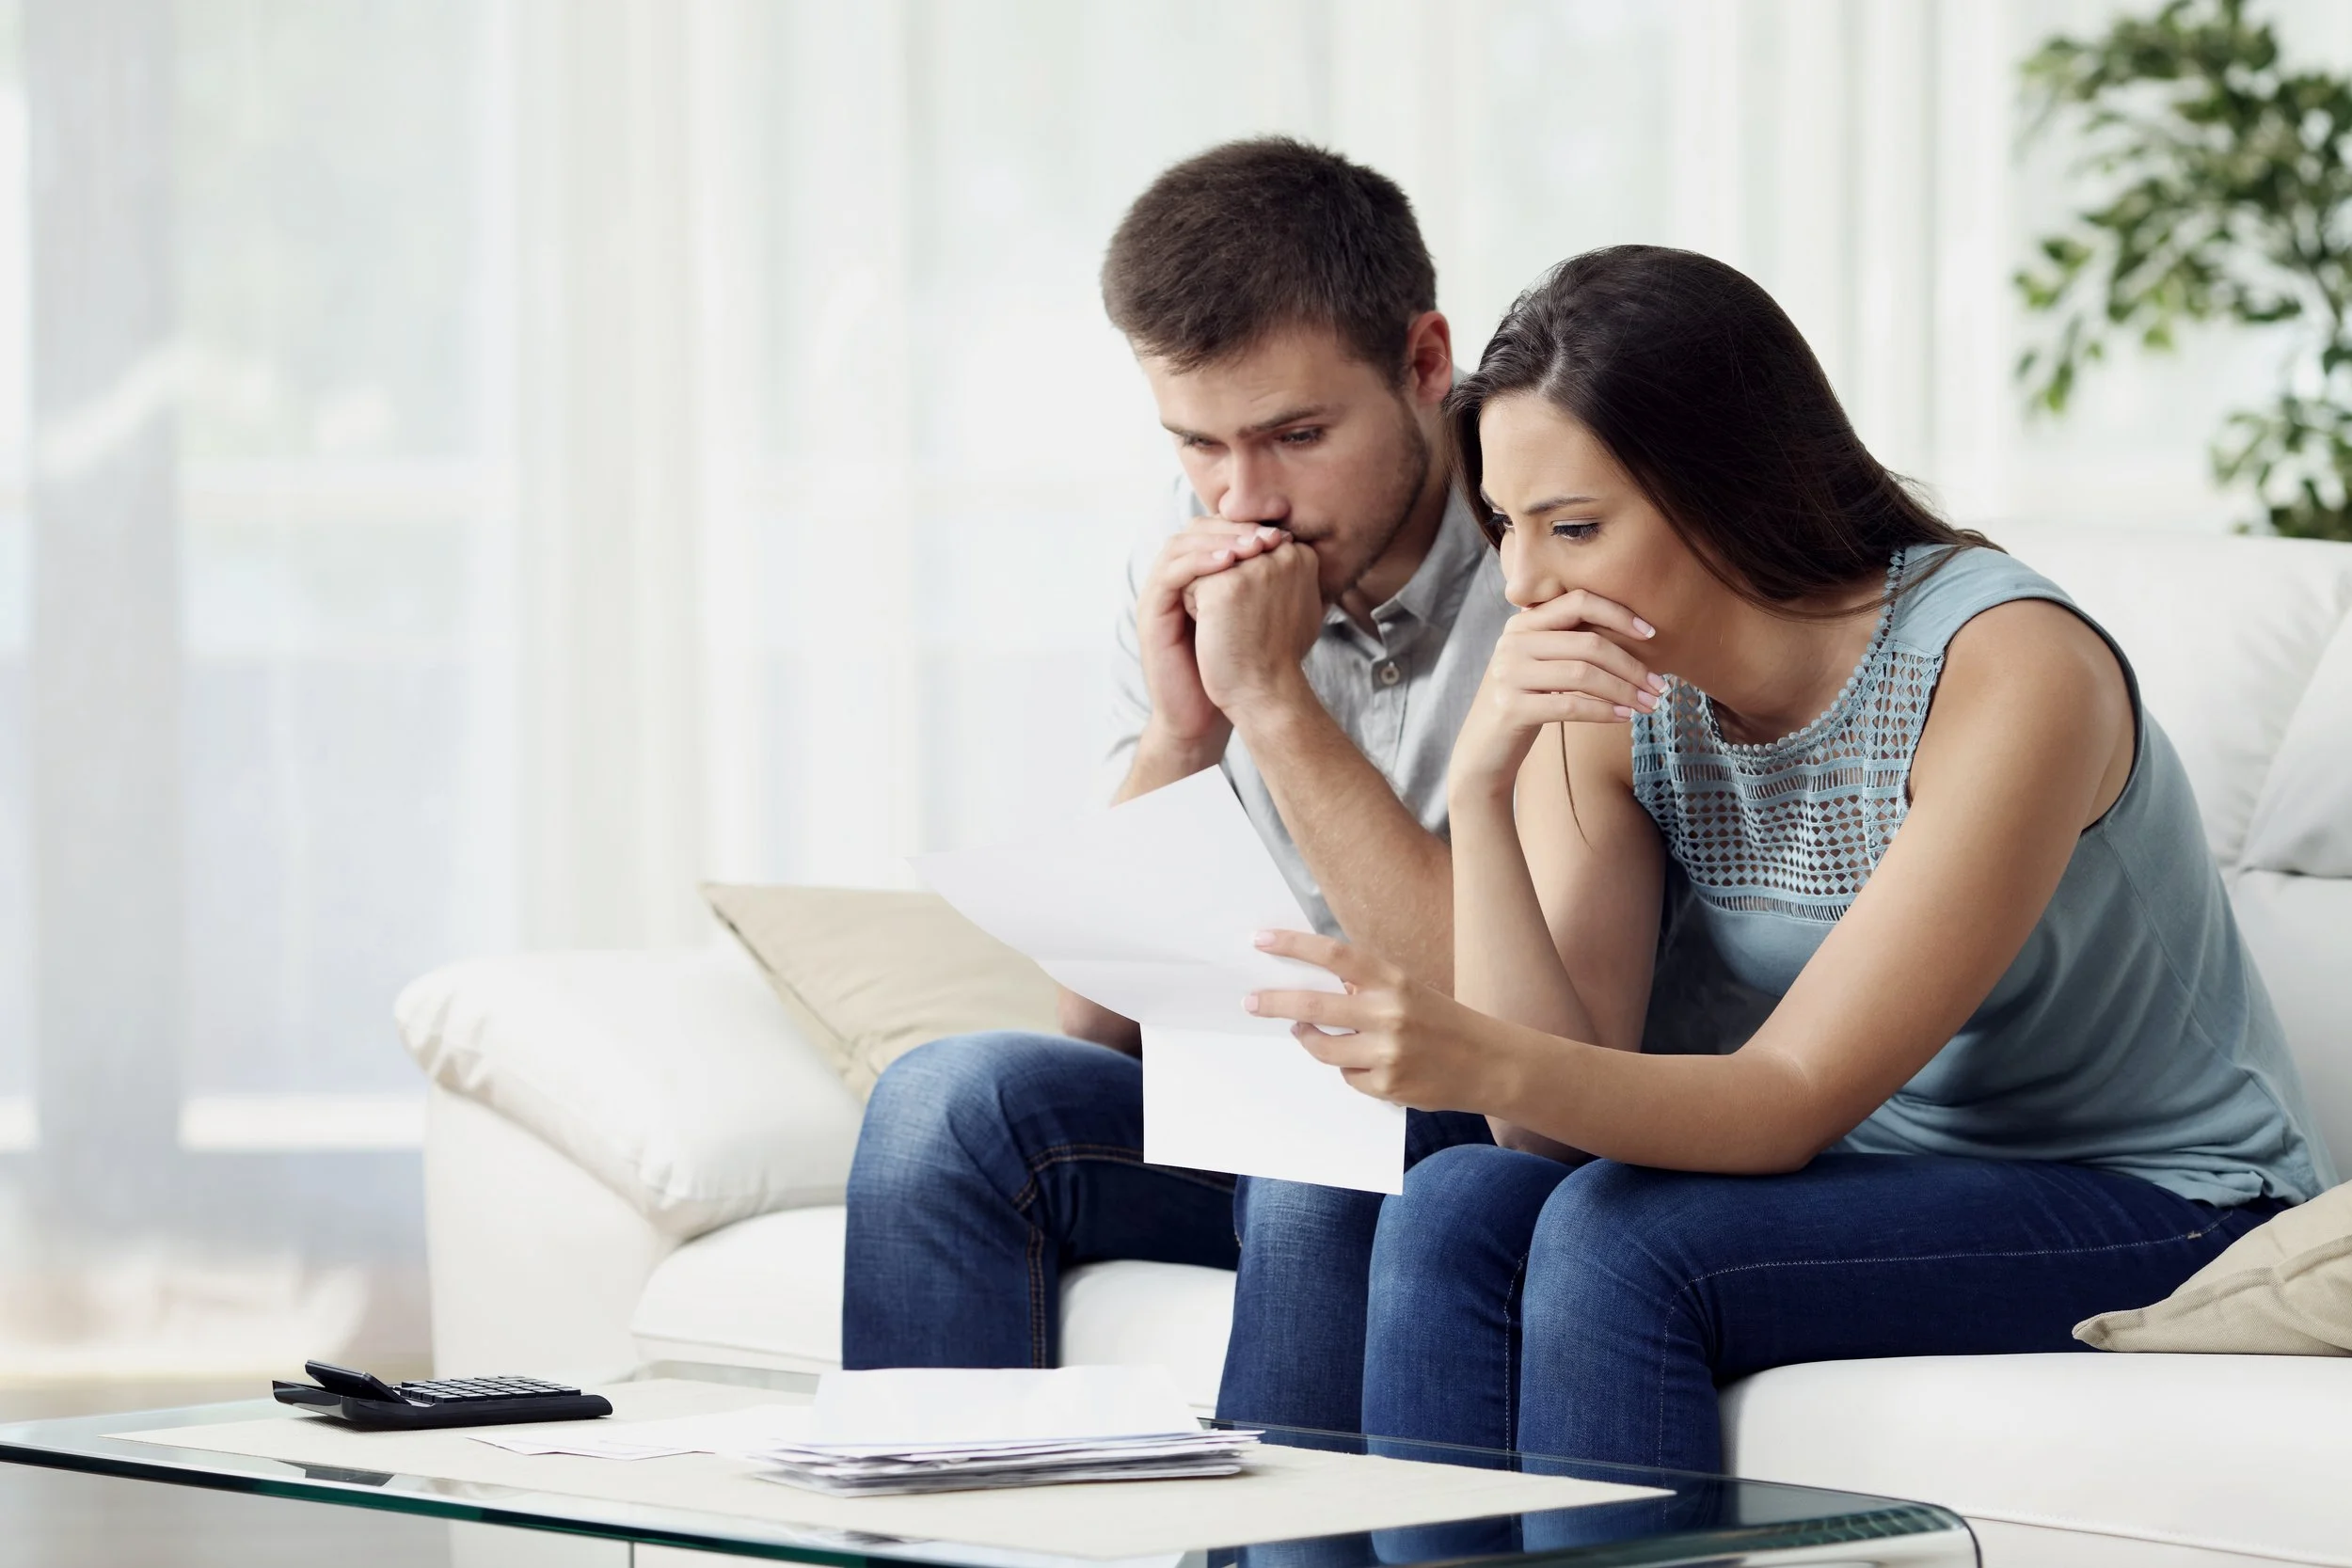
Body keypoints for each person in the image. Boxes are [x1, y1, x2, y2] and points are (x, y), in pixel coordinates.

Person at [1243, 245, 2337, 1473]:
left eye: (1577, 526)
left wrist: (1471, 1046)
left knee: (1618, 1240)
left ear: (1728, 487)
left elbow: (1787, 1095)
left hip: (2162, 1197)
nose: (1526, 581)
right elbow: (1545, 1125)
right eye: (1506, 524)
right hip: (1867, 1170)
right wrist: (1484, 791)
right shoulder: (1611, 688)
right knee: (1449, 1202)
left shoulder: (2009, 668)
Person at [839, 137, 1513, 1426]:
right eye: (1196, 443)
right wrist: (1183, 733)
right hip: (1256, 1104)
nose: (1244, 496)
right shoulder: (1184, 544)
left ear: (1426, 365)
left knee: (1331, 1132)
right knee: (943, 1104)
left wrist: (1274, 698)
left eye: (1298, 434)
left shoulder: (1547, 533)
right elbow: (1092, 1025)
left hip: (1463, 1111)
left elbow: (1492, 1028)